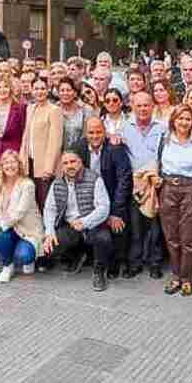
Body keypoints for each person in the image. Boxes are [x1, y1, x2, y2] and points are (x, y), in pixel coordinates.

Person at [156, 105, 192, 296]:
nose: (183, 122)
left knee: (189, 238)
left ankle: (186, 278)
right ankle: (176, 276)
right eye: (180, 118)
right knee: (171, 237)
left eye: (188, 119)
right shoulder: (164, 140)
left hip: (191, 190)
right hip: (168, 189)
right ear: (173, 120)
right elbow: (158, 165)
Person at [41, 149, 113, 291]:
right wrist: (49, 232)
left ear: (80, 162)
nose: (70, 166)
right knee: (52, 244)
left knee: (103, 239)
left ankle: (99, 271)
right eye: (65, 163)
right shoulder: (57, 183)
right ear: (62, 167)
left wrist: (85, 222)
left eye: (73, 161)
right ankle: (77, 255)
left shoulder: (94, 179)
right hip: (71, 226)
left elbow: (104, 207)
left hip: (92, 224)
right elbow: (49, 209)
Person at [74, 117, 132, 278]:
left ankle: (117, 261)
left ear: (105, 132)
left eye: (99, 132)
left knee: (117, 224)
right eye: (91, 132)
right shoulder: (79, 147)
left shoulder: (114, 148)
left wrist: (115, 211)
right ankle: (91, 257)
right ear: (86, 133)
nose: (95, 136)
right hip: (90, 197)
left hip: (113, 195)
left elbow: (124, 179)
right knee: (95, 231)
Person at [118, 91, 168, 279]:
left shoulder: (162, 128)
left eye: (146, 105)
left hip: (155, 183)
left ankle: (155, 263)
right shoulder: (125, 127)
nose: (143, 109)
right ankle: (135, 263)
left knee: (154, 227)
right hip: (135, 184)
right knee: (136, 227)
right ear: (132, 106)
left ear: (152, 106)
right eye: (139, 105)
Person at [0, 149, 45, 282]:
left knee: (23, 256)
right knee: (1, 234)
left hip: (27, 230)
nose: (10, 166)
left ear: (19, 165)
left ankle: (27, 256)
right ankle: (7, 266)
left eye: (13, 162)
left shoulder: (27, 185)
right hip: (8, 229)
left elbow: (19, 213)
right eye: (6, 163)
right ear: (1, 166)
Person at [21, 79, 64, 210]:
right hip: (30, 161)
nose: (39, 92)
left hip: (45, 165)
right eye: (36, 89)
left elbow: (55, 141)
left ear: (48, 90)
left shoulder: (54, 110)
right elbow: (26, 136)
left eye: (43, 89)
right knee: (32, 200)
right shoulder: (30, 108)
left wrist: (49, 168)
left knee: (45, 201)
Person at [0, 75, 26, 167]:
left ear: (11, 89)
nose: (2, 90)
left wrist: (21, 155)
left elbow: (24, 133)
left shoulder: (20, 108)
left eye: (6, 87)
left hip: (15, 156)